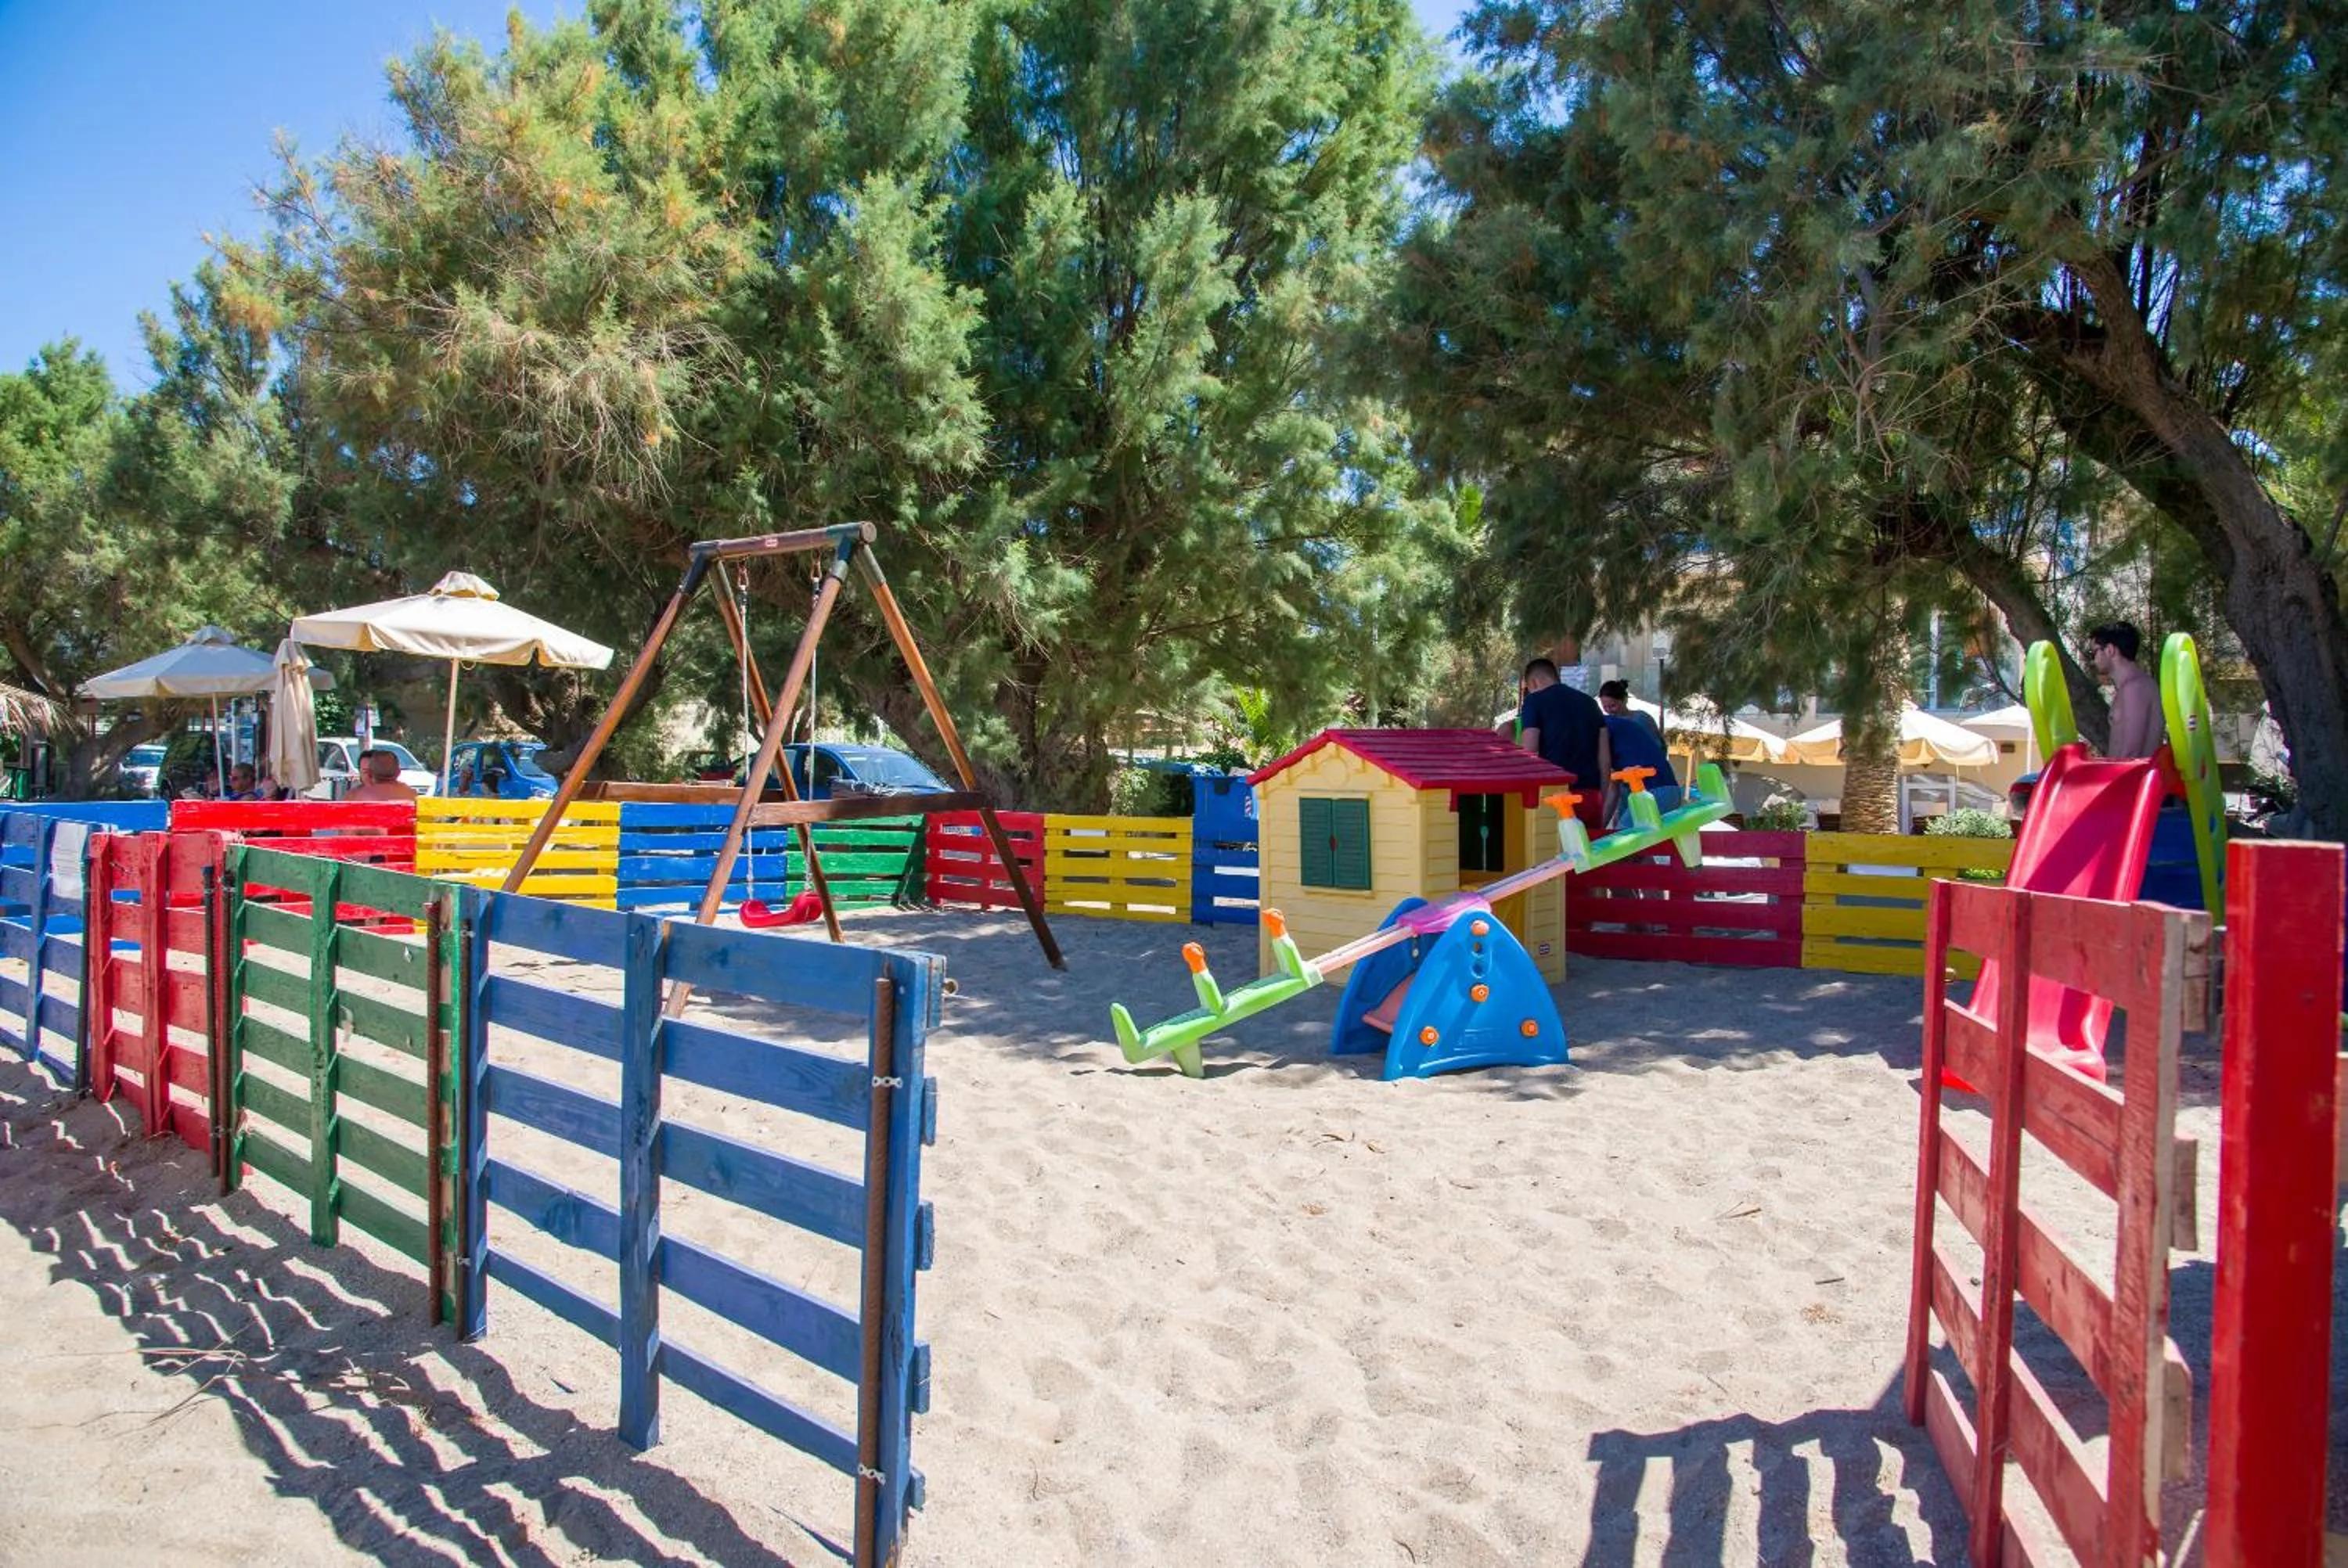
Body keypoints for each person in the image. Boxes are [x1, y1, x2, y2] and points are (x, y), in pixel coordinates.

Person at [1500, 658, 1609, 832]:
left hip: (1557, 796)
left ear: (1533, 682)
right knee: (1589, 855)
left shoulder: (1534, 702)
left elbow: (1529, 751)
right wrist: (1601, 797)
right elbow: (1605, 759)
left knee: (1556, 855)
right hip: (1591, 795)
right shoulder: (1590, 703)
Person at [1597, 680, 1680, 825]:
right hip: (1630, 789)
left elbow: (1655, 751)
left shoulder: (1639, 720)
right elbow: (1614, 784)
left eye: (1613, 706)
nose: (1610, 710)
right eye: (1606, 707)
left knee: (1625, 832)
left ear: (1624, 700)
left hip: (1648, 785)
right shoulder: (1614, 727)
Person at [2088, 622, 2163, 759]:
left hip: (2133, 778)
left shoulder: (2134, 688)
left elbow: (2131, 753)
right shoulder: (2132, 687)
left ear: (2110, 650)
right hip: (2129, 776)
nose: (2093, 660)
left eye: (2094, 653)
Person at [344, 747, 419, 803]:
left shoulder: (357, 797)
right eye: (365, 772)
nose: (368, 777)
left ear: (372, 774)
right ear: (398, 773)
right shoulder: (411, 794)